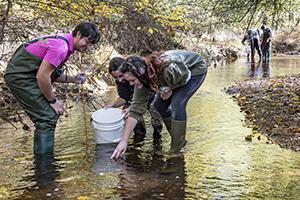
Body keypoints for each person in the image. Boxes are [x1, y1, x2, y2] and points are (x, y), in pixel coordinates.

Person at [4, 22, 101, 155]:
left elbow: (49, 74)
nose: (88, 47)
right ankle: (45, 166)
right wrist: (53, 101)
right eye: (87, 41)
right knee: (47, 117)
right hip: (20, 77)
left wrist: (73, 79)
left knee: (48, 117)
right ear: (78, 34)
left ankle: (44, 164)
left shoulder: (62, 42)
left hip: (26, 76)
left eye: (91, 44)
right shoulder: (61, 47)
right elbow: (42, 77)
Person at [111, 50, 207, 159]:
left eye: (133, 80)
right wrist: (124, 141)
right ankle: (179, 139)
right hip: (175, 77)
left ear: (140, 75)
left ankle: (176, 149)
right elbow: (135, 110)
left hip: (194, 69)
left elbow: (185, 77)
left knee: (177, 103)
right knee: (158, 105)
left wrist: (170, 88)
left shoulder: (168, 67)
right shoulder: (142, 79)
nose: (131, 84)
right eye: (129, 81)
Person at [106, 57, 163, 142]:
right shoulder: (121, 81)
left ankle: (157, 140)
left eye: (121, 76)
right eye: (116, 78)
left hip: (151, 97)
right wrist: (113, 105)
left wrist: (133, 108)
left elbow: (151, 94)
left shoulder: (140, 74)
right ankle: (139, 138)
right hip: (133, 100)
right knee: (128, 114)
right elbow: (124, 97)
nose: (120, 80)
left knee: (156, 120)